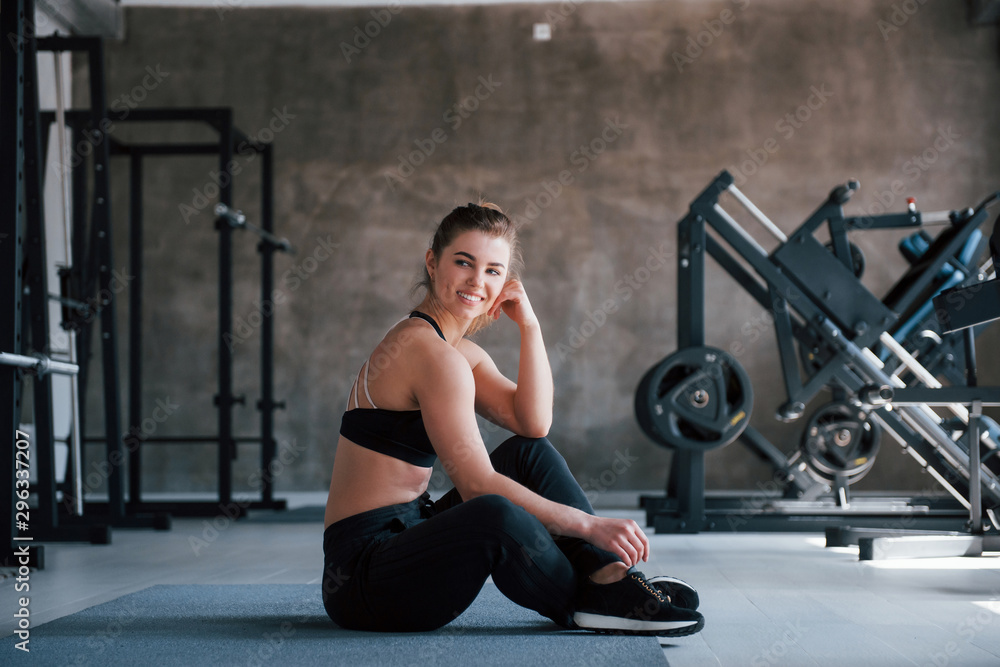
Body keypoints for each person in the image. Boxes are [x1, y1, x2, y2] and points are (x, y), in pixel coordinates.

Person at [322, 202, 704, 636]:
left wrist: (531, 327)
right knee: (493, 514)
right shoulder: (426, 353)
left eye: (493, 270)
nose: (477, 282)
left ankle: (606, 577)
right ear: (432, 262)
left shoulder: (455, 352)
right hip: (363, 579)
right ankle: (587, 602)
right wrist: (590, 525)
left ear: (506, 280)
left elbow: (533, 423)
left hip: (408, 532)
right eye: (463, 262)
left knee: (528, 455)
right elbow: (477, 484)